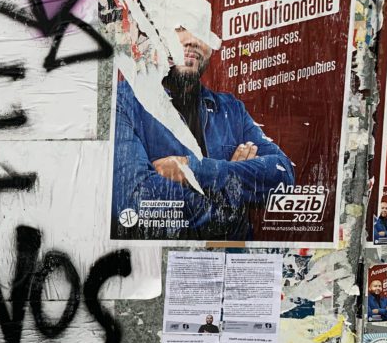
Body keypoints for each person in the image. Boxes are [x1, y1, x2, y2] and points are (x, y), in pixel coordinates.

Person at [113, 26, 295, 240]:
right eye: (180, 28)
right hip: (162, 264)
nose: (193, 40)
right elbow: (134, 203)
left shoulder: (231, 109)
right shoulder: (124, 103)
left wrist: (194, 170)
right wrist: (233, 196)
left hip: (231, 263)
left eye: (201, 31)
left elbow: (284, 175)